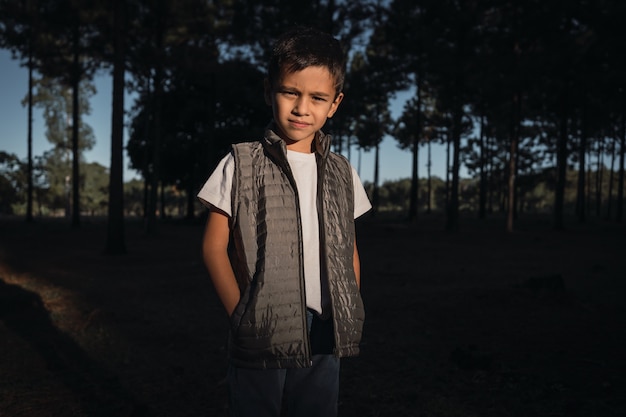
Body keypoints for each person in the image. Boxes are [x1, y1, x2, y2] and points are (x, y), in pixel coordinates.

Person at [198, 26, 371, 417]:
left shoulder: (343, 171)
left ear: (335, 104)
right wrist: (240, 316)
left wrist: (348, 304)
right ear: (268, 91)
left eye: (317, 97)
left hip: (326, 327)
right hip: (262, 328)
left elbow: (350, 249)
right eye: (290, 92)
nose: (301, 108)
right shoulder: (240, 162)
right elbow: (212, 246)